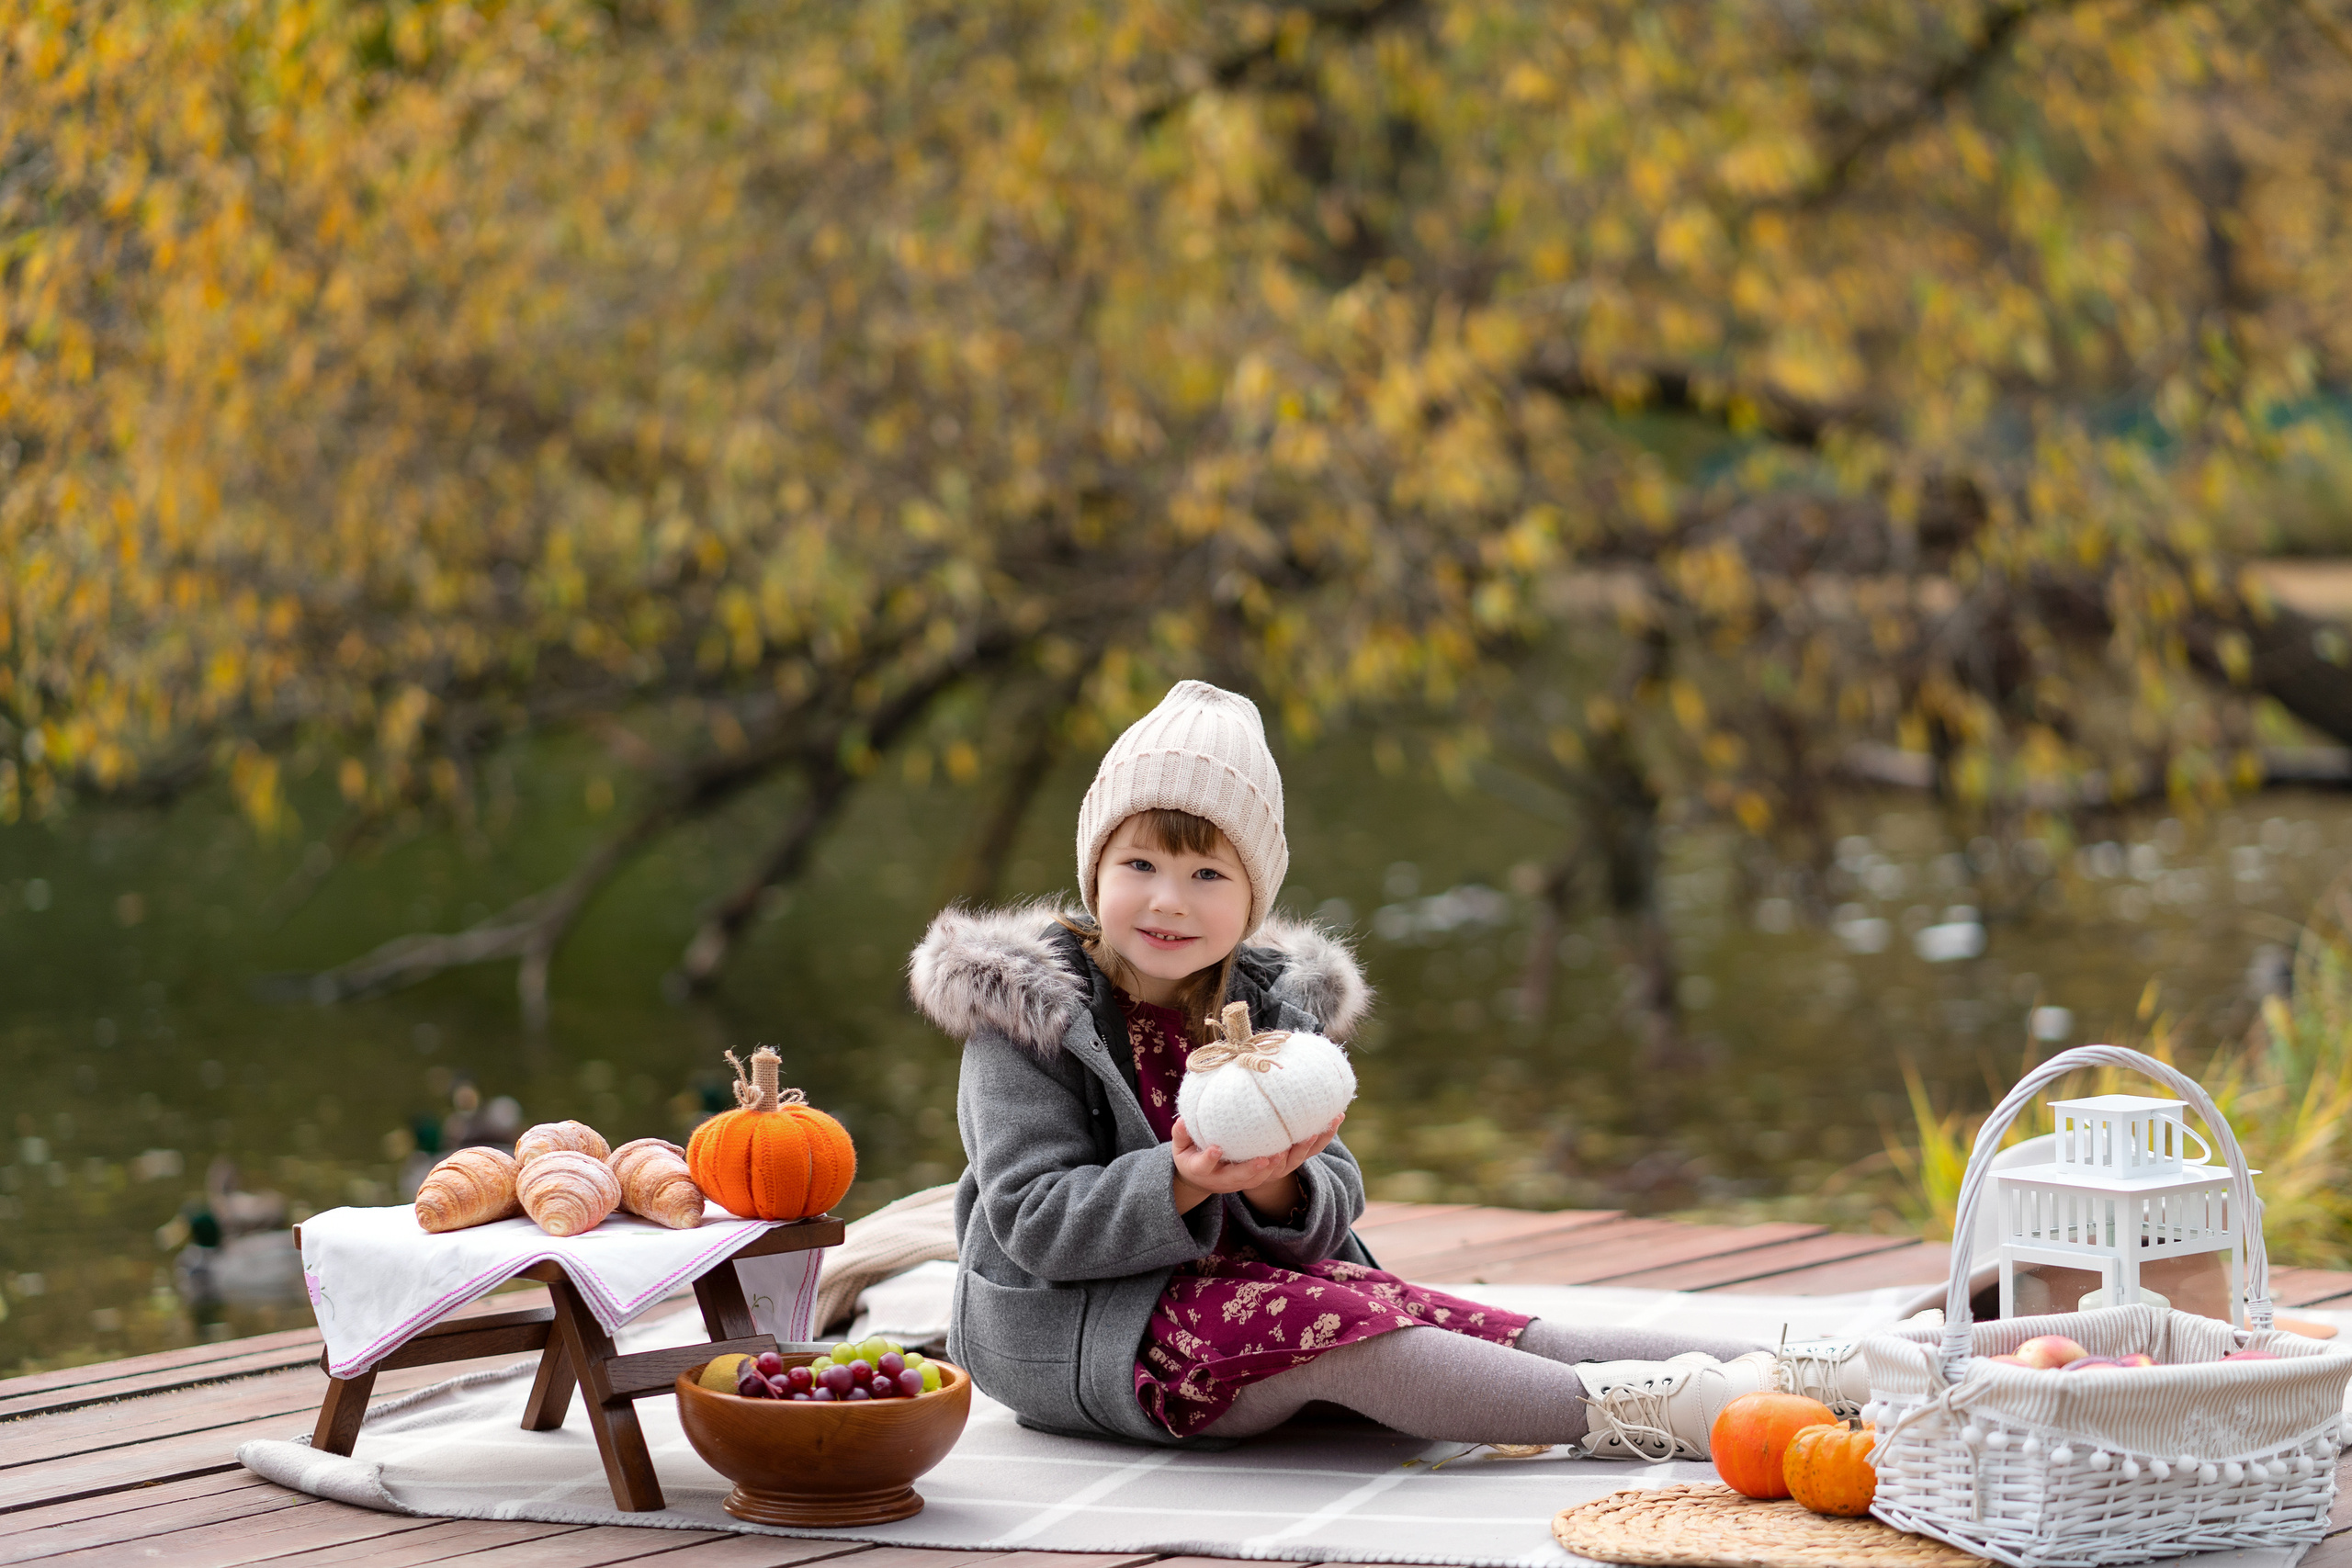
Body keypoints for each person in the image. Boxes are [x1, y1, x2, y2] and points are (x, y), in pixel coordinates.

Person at [910, 680, 1810, 1455]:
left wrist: (1274, 1186)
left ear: (1253, 894)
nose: (1167, 901)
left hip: (1253, 1293)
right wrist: (1182, 1180)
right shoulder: (1031, 1016)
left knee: (1439, 1311)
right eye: (1138, 862)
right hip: (1094, 1336)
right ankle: (1654, 1413)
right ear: (1095, 863)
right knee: (1354, 1332)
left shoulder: (1267, 1007)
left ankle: (1791, 1367)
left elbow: (1332, 1205)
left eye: (1207, 876)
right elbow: (1032, 1223)